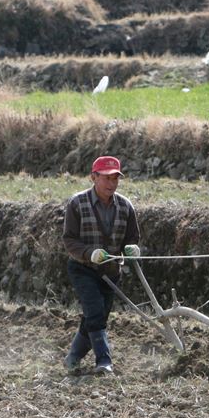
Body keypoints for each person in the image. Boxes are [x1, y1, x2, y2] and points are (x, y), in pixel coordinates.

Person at [62, 155, 141, 374]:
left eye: (115, 178)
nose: (111, 183)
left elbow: (132, 237)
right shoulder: (77, 204)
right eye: (106, 178)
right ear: (93, 177)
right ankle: (104, 361)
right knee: (95, 312)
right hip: (83, 269)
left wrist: (132, 249)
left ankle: (73, 357)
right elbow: (69, 240)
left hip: (111, 272)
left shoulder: (125, 207)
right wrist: (89, 253)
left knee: (94, 317)